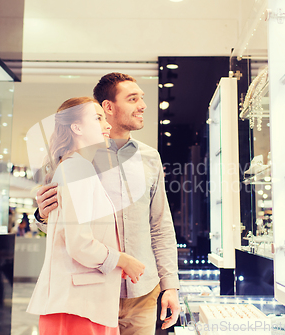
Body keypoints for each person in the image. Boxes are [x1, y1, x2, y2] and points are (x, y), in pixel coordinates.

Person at [34, 73, 180, 334]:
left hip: (143, 293)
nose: (143, 106)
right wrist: (42, 214)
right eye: (133, 99)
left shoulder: (150, 158)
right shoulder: (79, 157)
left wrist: (170, 285)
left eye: (141, 98)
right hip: (91, 292)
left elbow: (160, 224)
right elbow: (63, 227)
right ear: (108, 107)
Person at [27, 97, 145, 335]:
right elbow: (79, 243)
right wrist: (123, 260)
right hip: (79, 307)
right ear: (77, 127)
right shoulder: (77, 167)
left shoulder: (74, 166)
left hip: (80, 303)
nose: (107, 124)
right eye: (98, 117)